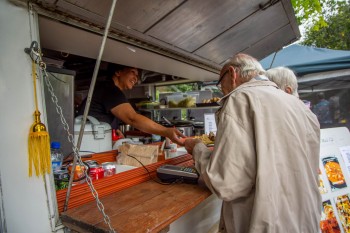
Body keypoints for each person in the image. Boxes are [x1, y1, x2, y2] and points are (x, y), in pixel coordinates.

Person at [185, 53, 321, 232]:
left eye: (220, 83)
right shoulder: (301, 108)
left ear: (232, 74)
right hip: (307, 222)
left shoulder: (240, 99)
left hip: (266, 224)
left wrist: (197, 149)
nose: (222, 90)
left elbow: (226, 183)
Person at [78, 64, 184, 145]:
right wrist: (166, 131)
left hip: (93, 143)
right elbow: (133, 118)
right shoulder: (110, 90)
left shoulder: (108, 89)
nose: (136, 79)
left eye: (137, 75)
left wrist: (115, 133)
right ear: (118, 72)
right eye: (133, 72)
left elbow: (101, 116)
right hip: (90, 145)